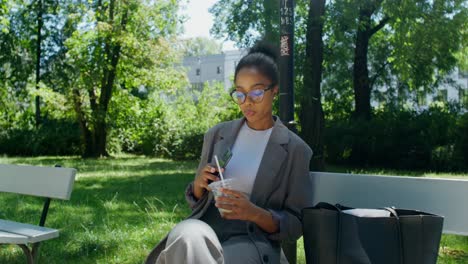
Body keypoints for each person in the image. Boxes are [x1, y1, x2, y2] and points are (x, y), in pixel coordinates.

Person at [145, 42, 313, 264]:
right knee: (187, 234)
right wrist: (198, 185)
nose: (247, 102)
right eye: (240, 93)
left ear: (274, 91)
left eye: (256, 92)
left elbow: (295, 225)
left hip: (253, 240)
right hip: (208, 232)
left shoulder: (295, 149)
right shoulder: (217, 134)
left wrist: (253, 212)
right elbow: (198, 204)